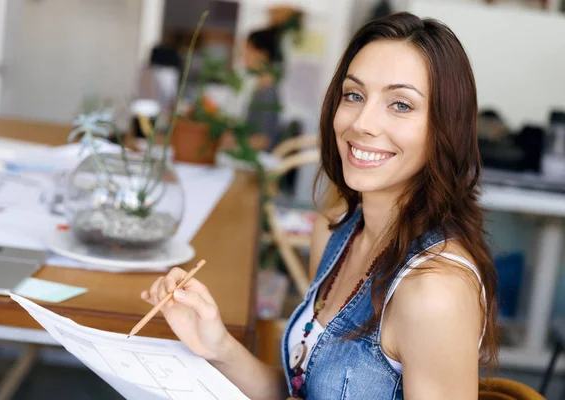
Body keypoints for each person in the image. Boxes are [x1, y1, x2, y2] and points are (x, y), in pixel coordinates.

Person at [141, 12, 498, 400]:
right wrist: (217, 346)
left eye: (400, 105)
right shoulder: (334, 232)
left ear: (445, 127)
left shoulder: (435, 291)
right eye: (354, 95)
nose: (362, 122)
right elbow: (300, 390)